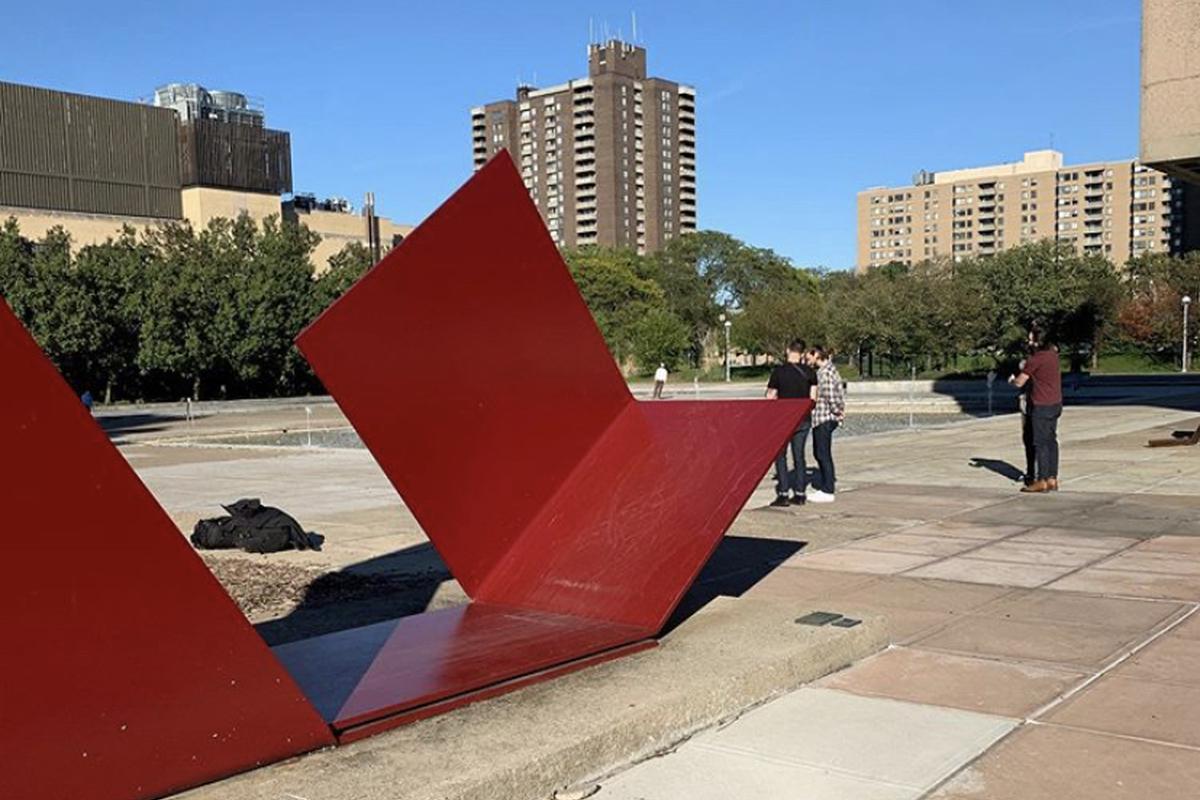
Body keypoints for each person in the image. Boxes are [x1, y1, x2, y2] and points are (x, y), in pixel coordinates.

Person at [1010, 326, 1062, 493]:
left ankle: (1041, 480)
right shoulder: (1053, 355)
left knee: (1040, 443)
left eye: (1031, 338)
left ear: (1038, 340)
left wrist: (1012, 380)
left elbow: (1020, 382)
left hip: (1041, 404)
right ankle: (1053, 478)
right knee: (1051, 441)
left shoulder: (1036, 359)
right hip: (1055, 403)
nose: (1029, 341)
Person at [766, 340, 817, 507]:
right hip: (803, 419)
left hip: (783, 420)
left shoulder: (778, 372)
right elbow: (813, 399)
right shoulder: (810, 372)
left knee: (780, 456)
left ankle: (783, 493)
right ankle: (800, 493)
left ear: (788, 350)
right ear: (802, 353)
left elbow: (770, 396)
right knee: (799, 456)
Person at [807, 345, 845, 503]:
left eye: (809, 357)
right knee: (819, 453)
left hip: (825, 418)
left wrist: (837, 412)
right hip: (821, 418)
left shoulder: (825, 373)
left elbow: (832, 396)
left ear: (816, 355)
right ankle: (825, 485)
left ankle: (828, 489)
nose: (808, 360)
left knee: (823, 453)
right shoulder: (825, 371)